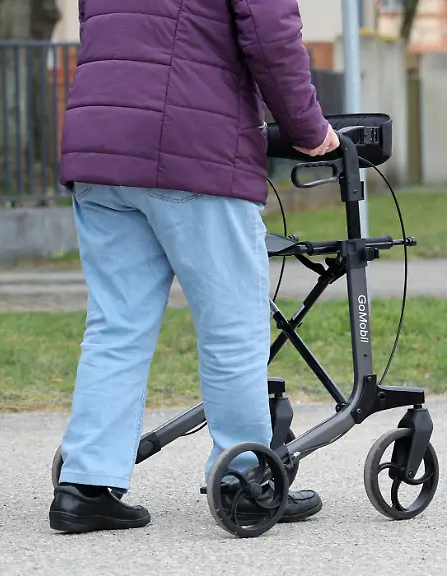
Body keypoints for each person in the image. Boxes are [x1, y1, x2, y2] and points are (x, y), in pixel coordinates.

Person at [49, 0, 339, 533]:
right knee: (232, 324)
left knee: (116, 324)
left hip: (101, 144)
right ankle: (245, 481)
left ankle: (84, 485)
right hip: (193, 147)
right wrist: (307, 127)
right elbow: (272, 36)